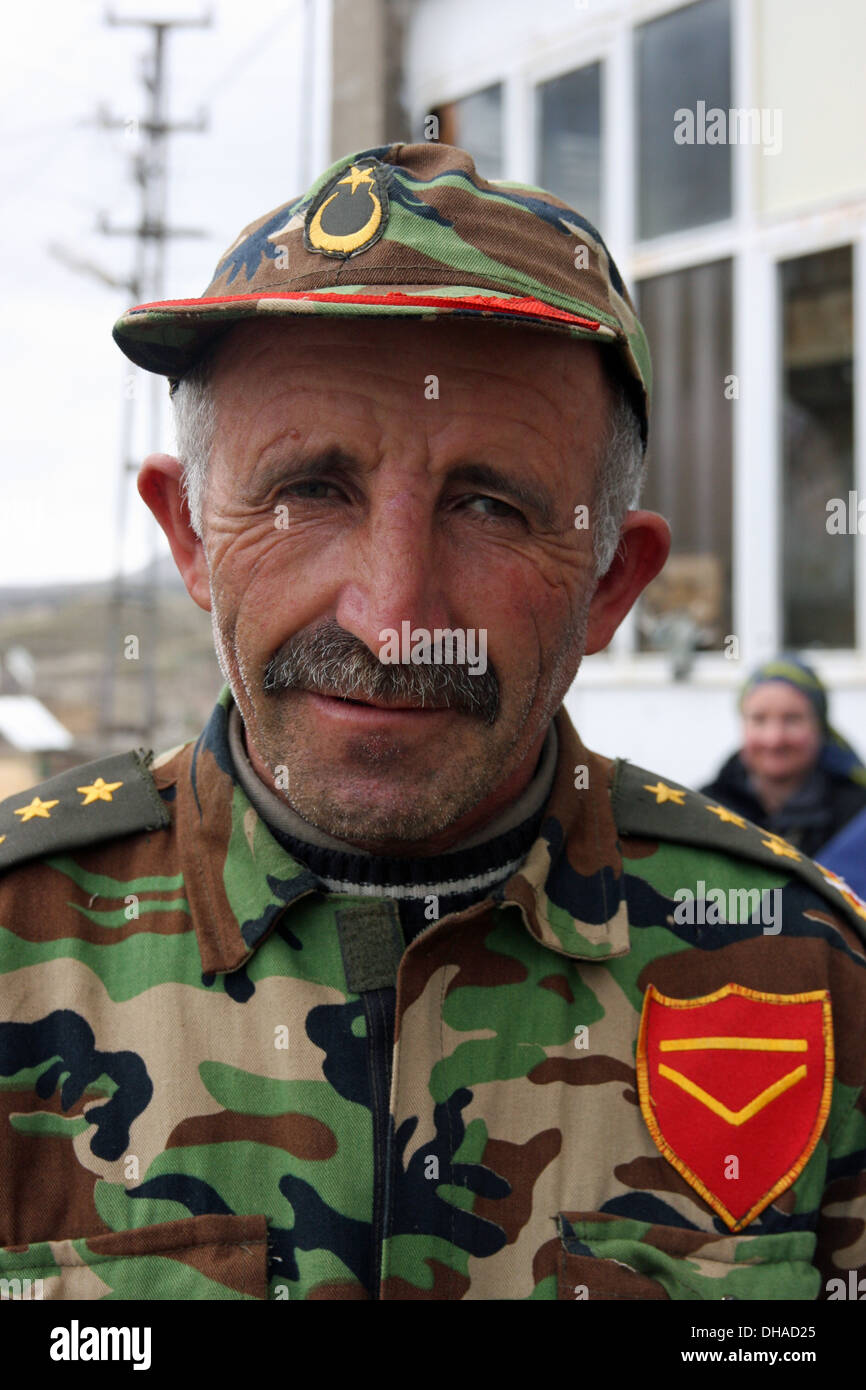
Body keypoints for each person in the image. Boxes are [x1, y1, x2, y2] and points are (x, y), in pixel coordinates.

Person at [1, 142, 865, 1302]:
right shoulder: (18, 949)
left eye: (490, 504)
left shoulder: (803, 976)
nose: (394, 617)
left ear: (611, 582)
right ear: (191, 532)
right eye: (310, 489)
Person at [701, 656, 866, 859]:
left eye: (792, 719)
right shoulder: (705, 811)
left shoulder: (857, 820)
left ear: (820, 727)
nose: (774, 739)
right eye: (759, 719)